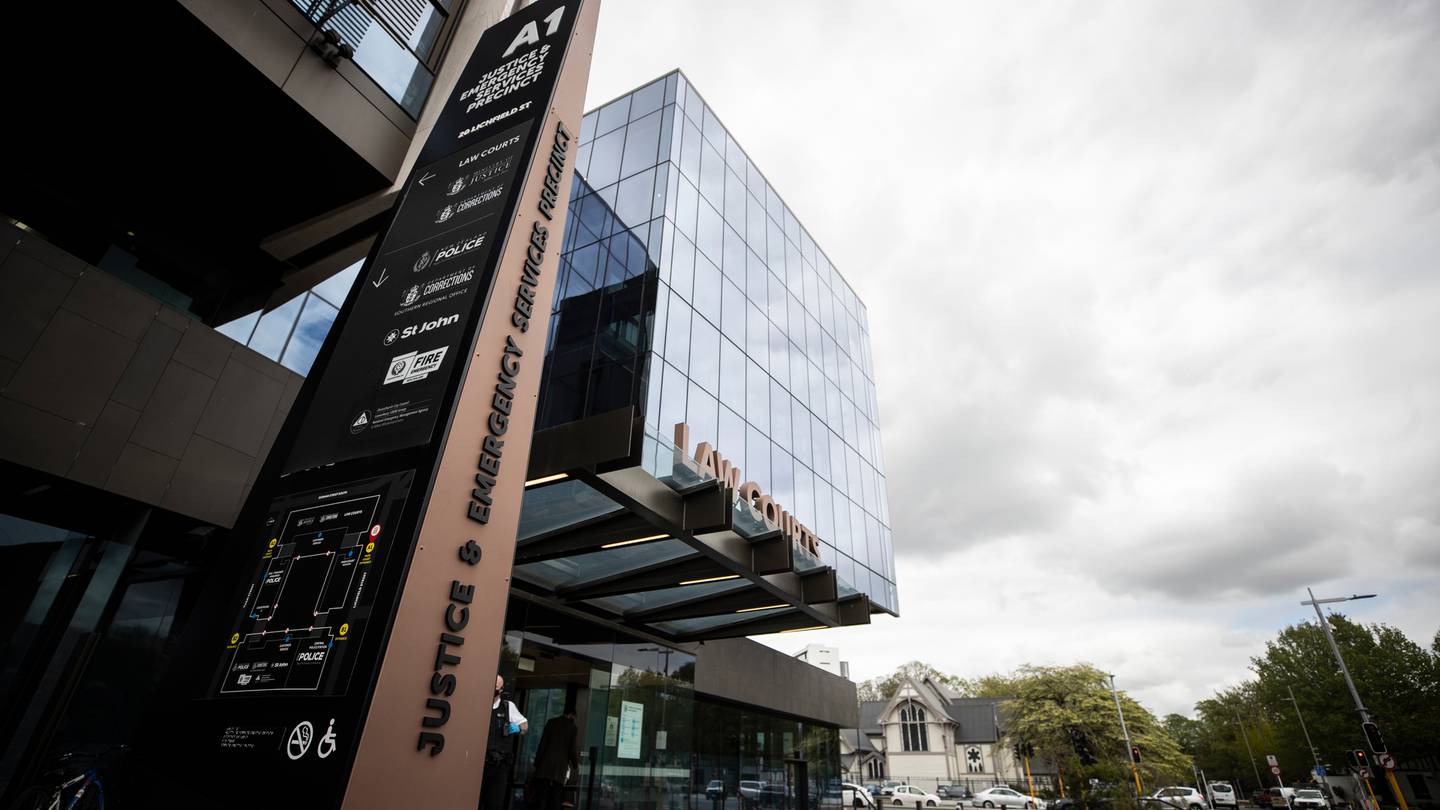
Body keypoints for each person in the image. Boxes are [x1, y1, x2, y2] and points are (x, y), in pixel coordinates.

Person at [481, 674, 528, 810]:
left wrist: (517, 728)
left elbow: (525, 725)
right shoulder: (479, 703)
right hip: (478, 763)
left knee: (494, 803)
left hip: (498, 765)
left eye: (496, 687)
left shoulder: (508, 707)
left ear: (501, 690)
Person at [529, 706, 579, 810]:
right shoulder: (572, 728)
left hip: (545, 766)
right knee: (556, 797)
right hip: (560, 768)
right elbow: (572, 749)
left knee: (542, 796)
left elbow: (542, 744)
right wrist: (575, 764)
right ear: (572, 715)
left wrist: (536, 763)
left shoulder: (551, 722)